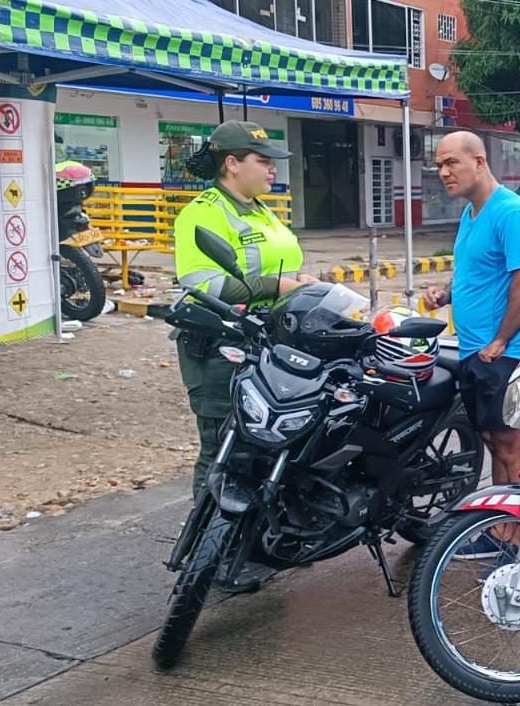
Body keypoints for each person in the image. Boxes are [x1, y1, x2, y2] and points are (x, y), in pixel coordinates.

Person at [173, 120, 315, 592]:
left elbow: (284, 265)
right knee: (222, 446)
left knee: (265, 443)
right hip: (217, 347)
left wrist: (302, 286)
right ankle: (207, 560)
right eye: (263, 161)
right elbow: (205, 285)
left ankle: (255, 542)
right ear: (232, 163)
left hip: (263, 341)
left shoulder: (262, 210)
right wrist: (278, 285)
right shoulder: (203, 213)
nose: (272, 170)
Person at [420, 132, 520, 557]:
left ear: (479, 161)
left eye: (451, 163)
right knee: (492, 441)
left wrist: (501, 340)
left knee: (511, 445)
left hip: (505, 354)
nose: (443, 173)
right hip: (474, 350)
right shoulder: (472, 214)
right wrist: (446, 294)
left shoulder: (511, 212)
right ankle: (498, 530)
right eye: (439, 165)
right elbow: (476, 273)